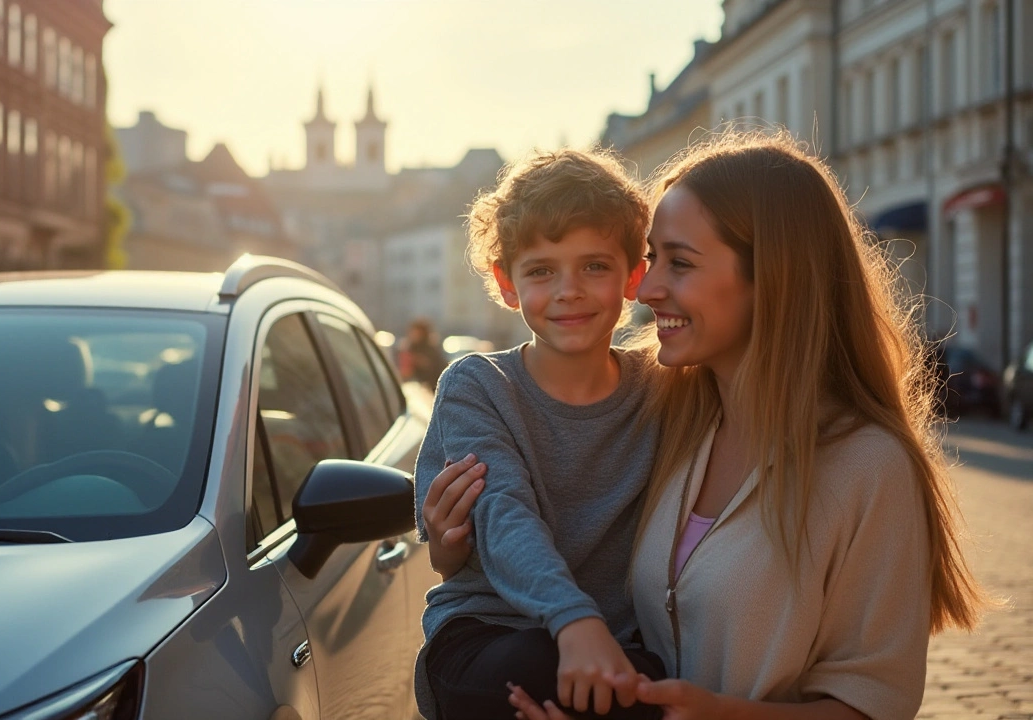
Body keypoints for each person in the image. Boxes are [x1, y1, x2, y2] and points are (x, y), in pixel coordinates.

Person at [426, 131, 985, 720]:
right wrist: (460, 553)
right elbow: (520, 514)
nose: (652, 288)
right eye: (654, 258)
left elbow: (875, 704)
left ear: (774, 274)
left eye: (678, 262)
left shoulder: (866, 466)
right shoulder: (675, 408)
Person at [413, 148, 666, 720]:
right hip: (488, 636)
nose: (568, 289)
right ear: (507, 284)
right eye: (542, 270)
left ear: (634, 275)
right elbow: (502, 512)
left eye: (594, 266)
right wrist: (574, 620)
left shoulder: (662, 389)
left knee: (658, 684)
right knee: (538, 662)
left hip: (613, 651)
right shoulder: (477, 384)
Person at [398, 317, 449, 389]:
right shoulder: (408, 348)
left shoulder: (431, 350)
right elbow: (405, 372)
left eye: (417, 333)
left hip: (429, 389)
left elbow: (436, 369)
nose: (414, 335)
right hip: (412, 388)